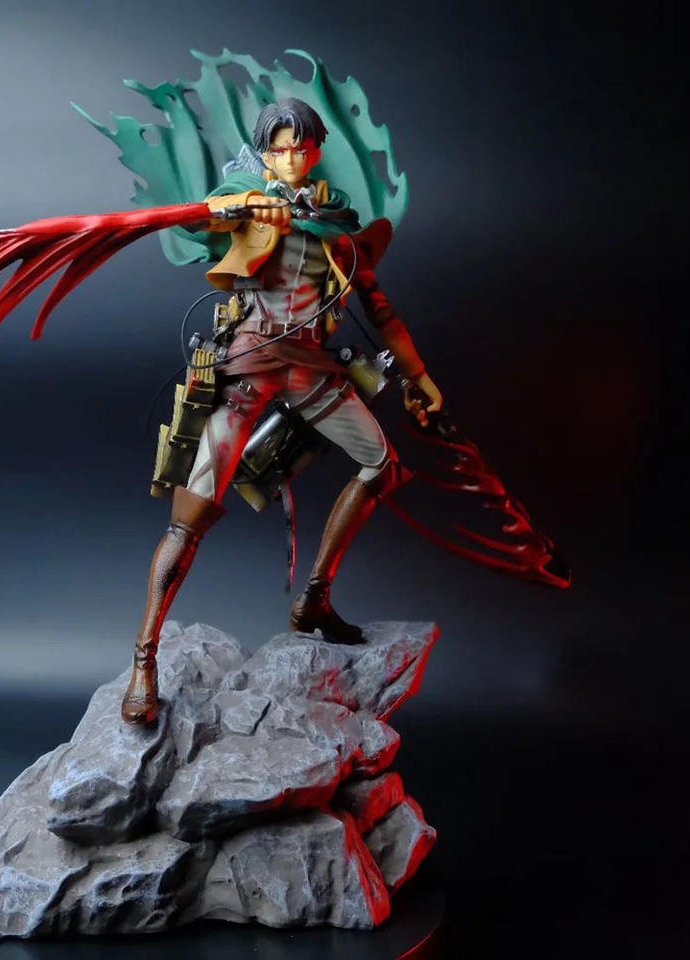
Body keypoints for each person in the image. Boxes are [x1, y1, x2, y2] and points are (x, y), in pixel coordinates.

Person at [121, 99, 443, 724]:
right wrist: (242, 205)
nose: (292, 158)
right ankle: (144, 658)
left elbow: (380, 310)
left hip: (310, 369)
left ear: (316, 150)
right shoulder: (248, 200)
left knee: (381, 464)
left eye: (302, 146)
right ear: (265, 153)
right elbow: (206, 218)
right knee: (191, 514)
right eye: (280, 148)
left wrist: (418, 375)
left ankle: (314, 597)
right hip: (248, 367)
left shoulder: (336, 227)